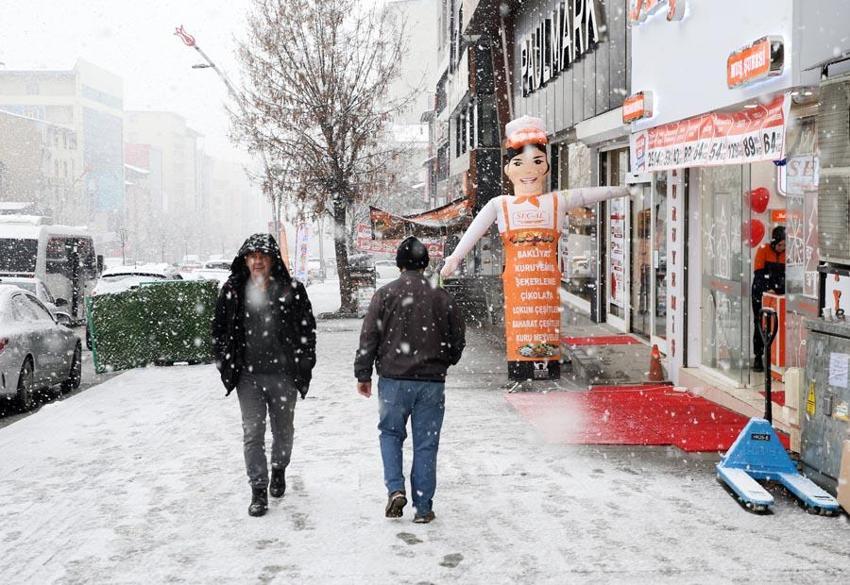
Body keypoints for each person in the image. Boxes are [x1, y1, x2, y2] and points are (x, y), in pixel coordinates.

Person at [440, 115, 628, 380]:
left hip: (545, 287)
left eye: (537, 162)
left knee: (544, 330)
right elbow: (474, 231)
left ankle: (543, 367)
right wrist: (454, 258)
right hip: (518, 286)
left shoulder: (556, 201)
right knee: (522, 333)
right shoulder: (500, 204)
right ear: (508, 169)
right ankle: (522, 366)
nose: (528, 171)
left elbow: (590, 193)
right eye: (519, 163)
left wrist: (625, 189)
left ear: (546, 167)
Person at [355, 237, 465, 524]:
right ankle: (423, 507)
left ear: (399, 264)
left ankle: (395, 489)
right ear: (425, 263)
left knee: (390, 435)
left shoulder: (384, 295)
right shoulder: (442, 297)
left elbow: (369, 337)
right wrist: (444, 361)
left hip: (393, 380)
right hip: (431, 382)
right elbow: (457, 339)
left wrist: (363, 374)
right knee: (426, 444)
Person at [212, 233, 316, 517]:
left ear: (272, 260)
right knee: (253, 432)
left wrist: (304, 363)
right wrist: (225, 361)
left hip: (283, 375)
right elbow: (219, 330)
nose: (257, 261)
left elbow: (307, 330)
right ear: (245, 260)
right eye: (252, 256)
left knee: (283, 430)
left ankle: (279, 468)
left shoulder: (292, 290)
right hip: (248, 377)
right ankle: (258, 489)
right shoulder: (233, 290)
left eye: (263, 256)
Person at [751, 225, 786, 372]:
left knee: (776, 326)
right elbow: (758, 274)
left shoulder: (787, 254)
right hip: (761, 293)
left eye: (784, 245)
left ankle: (774, 358)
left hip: (778, 294)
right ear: (773, 242)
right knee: (760, 324)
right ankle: (759, 357)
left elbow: (788, 276)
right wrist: (767, 289)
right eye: (779, 245)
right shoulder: (763, 249)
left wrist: (778, 289)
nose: (781, 248)